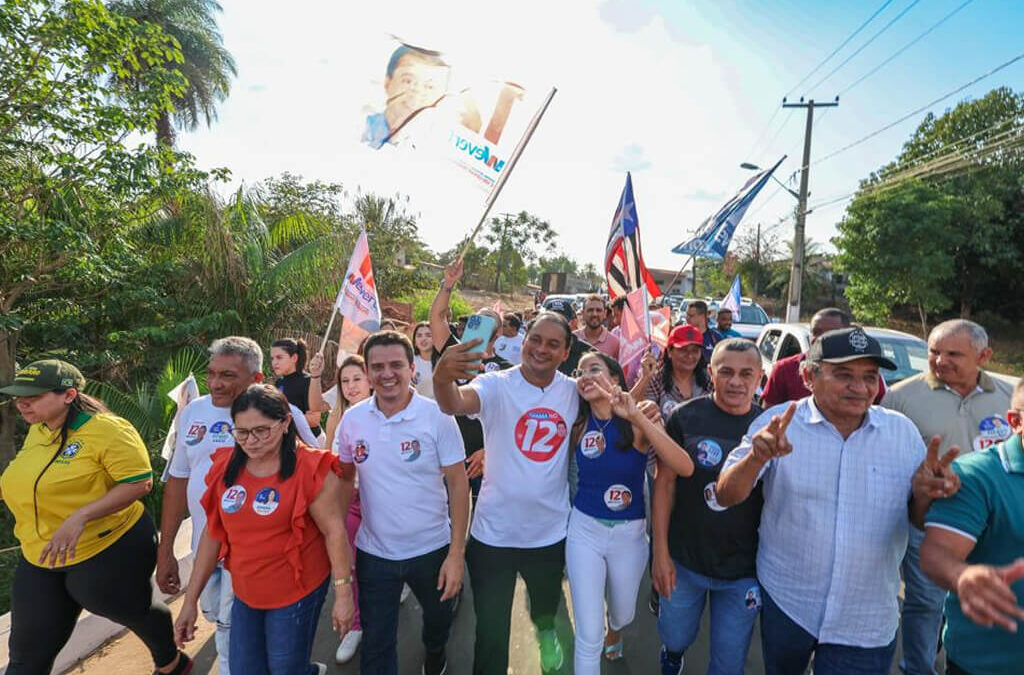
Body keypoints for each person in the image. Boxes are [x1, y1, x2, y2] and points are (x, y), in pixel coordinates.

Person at [716, 328, 961, 675]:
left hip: (866, 619)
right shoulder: (779, 424)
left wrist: (926, 495)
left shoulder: (902, 434)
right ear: (808, 376)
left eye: (870, 377)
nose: (860, 388)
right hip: (789, 602)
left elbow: (918, 519)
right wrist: (755, 458)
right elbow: (726, 494)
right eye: (843, 375)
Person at [0, 360, 190, 675]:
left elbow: (139, 482)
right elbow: (28, 481)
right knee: (26, 654)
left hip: (108, 546)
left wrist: (81, 516)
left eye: (33, 395)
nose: (22, 402)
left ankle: (172, 662)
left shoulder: (107, 430)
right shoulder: (38, 431)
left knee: (130, 610)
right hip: (41, 553)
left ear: (69, 394)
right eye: (19, 395)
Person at [158, 337, 320, 674]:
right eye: (211, 374)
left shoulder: (282, 415)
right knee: (217, 618)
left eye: (228, 376)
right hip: (206, 543)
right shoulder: (193, 413)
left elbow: (315, 472)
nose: (216, 383)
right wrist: (166, 551)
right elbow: (177, 480)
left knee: (231, 631)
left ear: (257, 378)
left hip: (255, 555)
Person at [433, 311, 580, 675]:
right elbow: (452, 402)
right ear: (523, 340)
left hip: (549, 534)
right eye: (535, 339)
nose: (541, 349)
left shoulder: (575, 392)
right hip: (492, 536)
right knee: (491, 631)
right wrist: (442, 375)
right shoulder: (496, 385)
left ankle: (546, 635)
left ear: (565, 353)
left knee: (546, 610)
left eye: (552, 344)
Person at [174, 385, 353, 675]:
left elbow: (334, 532)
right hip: (247, 592)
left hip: (297, 590)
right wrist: (190, 601)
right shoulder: (226, 467)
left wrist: (343, 595)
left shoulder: (309, 467)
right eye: (242, 432)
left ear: (284, 424)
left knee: (285, 669)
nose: (251, 441)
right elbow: (212, 534)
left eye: (261, 431)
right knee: (245, 669)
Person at [883, 319, 1016, 675]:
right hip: (927, 518)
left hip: (992, 525)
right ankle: (918, 667)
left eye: (953, 353)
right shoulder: (900, 398)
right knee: (926, 601)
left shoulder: (1007, 397)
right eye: (934, 352)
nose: (940, 360)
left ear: (984, 356)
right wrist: (921, 486)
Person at [336, 331, 470, 675]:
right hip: (374, 554)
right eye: (377, 366)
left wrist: (456, 555)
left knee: (438, 626)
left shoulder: (437, 416)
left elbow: (458, 484)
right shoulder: (353, 420)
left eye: (396, 364)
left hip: (432, 550)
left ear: (413, 369)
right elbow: (343, 481)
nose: (387, 373)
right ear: (367, 372)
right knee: (377, 646)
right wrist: (337, 545)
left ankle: (436, 656)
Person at [566, 352, 694, 674]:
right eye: (580, 372)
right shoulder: (578, 424)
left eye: (594, 369)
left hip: (630, 534)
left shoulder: (638, 420)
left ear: (615, 379)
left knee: (623, 613)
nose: (586, 375)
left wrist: (638, 417)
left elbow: (683, 466)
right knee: (588, 633)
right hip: (584, 531)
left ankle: (616, 629)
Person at [653, 339, 764, 675]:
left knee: (728, 664)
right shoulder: (685, 418)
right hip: (685, 561)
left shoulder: (768, 427)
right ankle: (672, 656)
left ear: (760, 377)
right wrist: (659, 552)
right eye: (726, 372)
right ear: (711, 373)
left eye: (747, 374)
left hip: (743, 570)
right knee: (675, 636)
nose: (736, 381)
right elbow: (664, 484)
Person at [920, 378, 1024, 675]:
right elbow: (937, 552)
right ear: (1015, 422)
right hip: (989, 664)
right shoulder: (976, 476)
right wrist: (962, 575)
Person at [429, 259, 513, 499]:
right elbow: (437, 318)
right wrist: (448, 284)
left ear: (497, 335)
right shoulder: (452, 352)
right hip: (446, 455)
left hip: (485, 462)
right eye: (477, 319)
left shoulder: (506, 370)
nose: (479, 325)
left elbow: (511, 418)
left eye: (487, 323)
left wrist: (488, 451)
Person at [309, 352, 373, 664]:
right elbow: (333, 464)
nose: (350, 386)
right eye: (345, 381)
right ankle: (356, 625)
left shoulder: (388, 413)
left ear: (371, 380)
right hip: (350, 501)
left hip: (385, 504)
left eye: (357, 379)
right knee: (348, 564)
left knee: (384, 567)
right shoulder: (340, 417)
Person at [761, 308, 886, 406]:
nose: (820, 337)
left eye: (831, 333)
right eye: (816, 332)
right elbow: (769, 413)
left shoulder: (865, 372)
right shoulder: (784, 368)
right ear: (808, 376)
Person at [363, 44, 450, 149]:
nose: (417, 92)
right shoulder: (360, 126)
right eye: (408, 81)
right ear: (387, 83)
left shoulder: (436, 146)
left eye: (429, 87)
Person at [637, 325, 711, 420]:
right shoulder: (656, 380)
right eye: (683, 350)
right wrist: (644, 379)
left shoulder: (710, 379)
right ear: (669, 352)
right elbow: (643, 416)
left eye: (695, 351)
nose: (689, 356)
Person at [271, 338, 327, 439]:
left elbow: (314, 420)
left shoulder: (308, 381)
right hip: (290, 442)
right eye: (272, 358)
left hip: (311, 443)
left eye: (279, 357)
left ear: (294, 358)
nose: (274, 362)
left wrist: (283, 420)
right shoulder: (279, 383)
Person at [543, 297, 595, 376]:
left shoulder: (587, 352)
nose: (555, 325)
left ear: (571, 322)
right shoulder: (536, 349)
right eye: (550, 320)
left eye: (561, 321)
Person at [575, 294, 620, 360]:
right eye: (590, 310)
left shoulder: (614, 343)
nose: (594, 314)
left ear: (605, 313)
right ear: (583, 313)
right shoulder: (573, 339)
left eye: (598, 310)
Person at [411, 321, 436, 399]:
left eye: (428, 335)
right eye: (419, 335)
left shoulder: (443, 361)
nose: (423, 339)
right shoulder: (409, 362)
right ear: (415, 341)